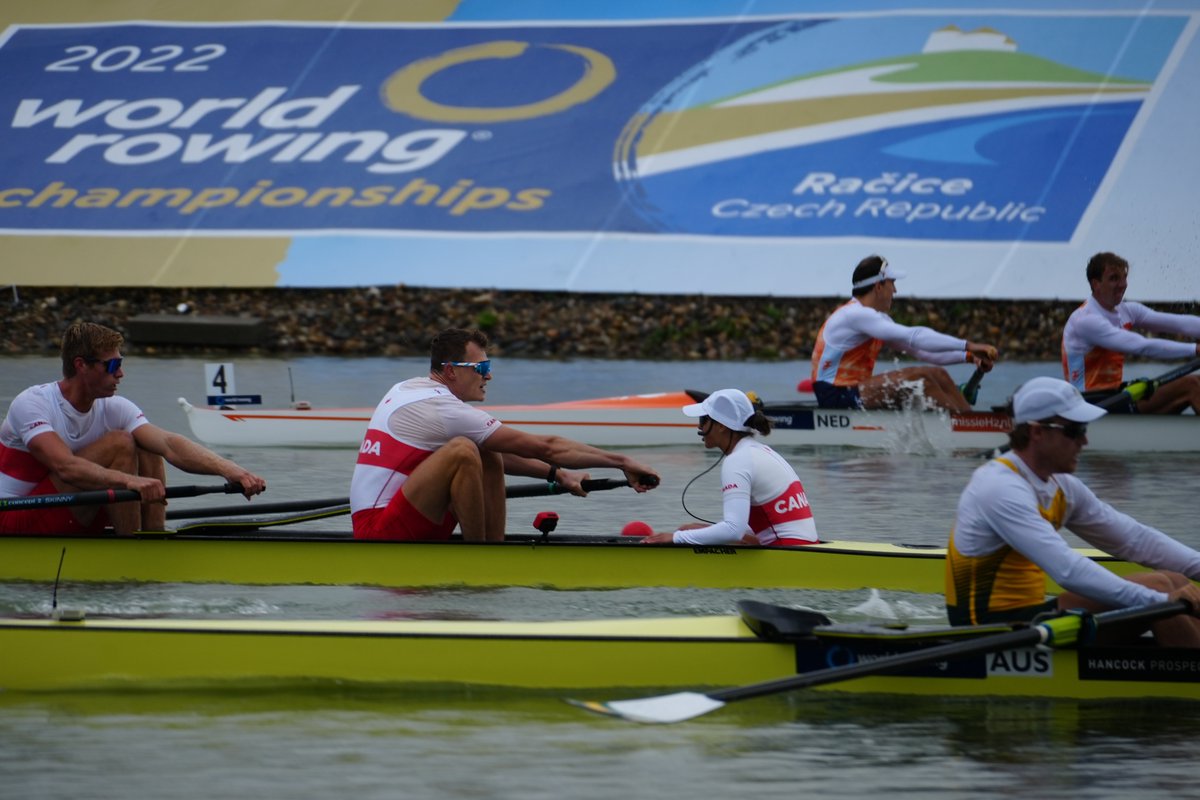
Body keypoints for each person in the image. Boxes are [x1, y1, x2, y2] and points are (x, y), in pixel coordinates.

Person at [946, 376, 1200, 646]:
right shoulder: (999, 487)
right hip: (985, 631)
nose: (1085, 440)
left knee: (1174, 580)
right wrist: (1161, 601)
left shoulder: (1062, 485)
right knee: (1160, 588)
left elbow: (1135, 540)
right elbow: (1067, 569)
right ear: (1037, 432)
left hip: (1033, 616)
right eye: (1075, 430)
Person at [350, 327, 660, 541]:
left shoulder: (407, 388)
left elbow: (517, 453)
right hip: (378, 530)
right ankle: (484, 558)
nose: (489, 375)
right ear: (451, 370)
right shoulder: (439, 409)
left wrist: (559, 475)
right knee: (462, 450)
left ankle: (491, 548)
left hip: (404, 515)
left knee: (483, 447)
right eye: (481, 367)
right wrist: (622, 461)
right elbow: (547, 446)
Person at [0, 322, 267, 536]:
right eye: (113, 366)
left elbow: (169, 444)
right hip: (16, 518)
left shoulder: (115, 407)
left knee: (145, 442)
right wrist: (130, 481)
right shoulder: (33, 403)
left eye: (121, 364)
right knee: (119, 442)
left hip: (72, 514)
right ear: (81, 365)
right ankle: (134, 546)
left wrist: (231, 470)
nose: (121, 374)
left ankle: (152, 535)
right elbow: (65, 467)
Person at [811, 255, 998, 413]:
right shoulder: (854, 315)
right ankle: (967, 428)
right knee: (920, 378)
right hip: (834, 395)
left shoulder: (878, 320)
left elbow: (922, 352)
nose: (895, 291)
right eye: (892, 284)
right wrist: (969, 344)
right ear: (878, 286)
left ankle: (970, 420)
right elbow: (914, 336)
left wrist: (969, 357)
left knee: (938, 374)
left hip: (855, 390)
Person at [641, 389, 818, 547]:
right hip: (800, 544)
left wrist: (676, 538)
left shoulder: (738, 460)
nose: (699, 427)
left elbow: (733, 530)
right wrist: (705, 531)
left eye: (704, 420)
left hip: (786, 550)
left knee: (685, 533)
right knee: (691, 530)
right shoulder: (760, 451)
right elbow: (762, 523)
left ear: (721, 426)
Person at [1061, 251, 1200, 413]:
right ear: (1095, 284)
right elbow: (1141, 346)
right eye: (1114, 278)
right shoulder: (1086, 320)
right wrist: (1194, 349)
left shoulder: (1127, 311)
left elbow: (1179, 323)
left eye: (1124, 277)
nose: (1122, 284)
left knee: (1194, 382)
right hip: (1088, 405)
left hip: (1115, 396)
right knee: (1191, 385)